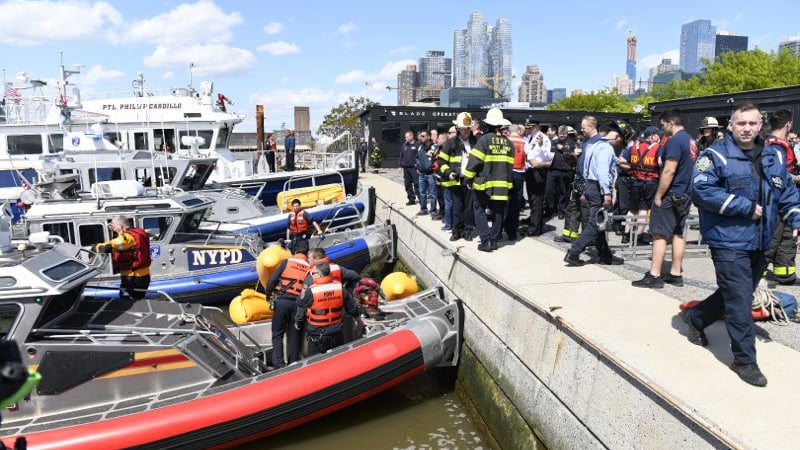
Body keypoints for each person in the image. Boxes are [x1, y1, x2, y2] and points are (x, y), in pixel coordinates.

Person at [682, 101, 800, 387]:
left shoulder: (773, 156)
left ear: (760, 125)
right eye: (741, 123)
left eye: (752, 123)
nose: (746, 128)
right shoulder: (714, 155)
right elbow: (701, 189)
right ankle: (745, 359)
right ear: (731, 126)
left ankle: (697, 317)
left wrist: (795, 217)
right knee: (740, 300)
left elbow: (785, 190)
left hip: (761, 241)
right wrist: (743, 206)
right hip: (728, 241)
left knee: (737, 292)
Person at [632, 110, 696, 288]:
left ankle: (654, 275)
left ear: (670, 123)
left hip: (671, 194)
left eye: (663, 125)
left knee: (658, 233)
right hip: (685, 193)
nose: (662, 129)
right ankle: (676, 273)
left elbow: (669, 170)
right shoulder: (691, 141)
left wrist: (659, 195)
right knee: (677, 233)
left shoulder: (675, 141)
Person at [563, 118, 629, 266]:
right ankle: (574, 252)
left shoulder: (593, 146)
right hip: (598, 188)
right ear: (616, 136)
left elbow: (585, 169)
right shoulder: (605, 148)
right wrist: (607, 193)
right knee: (595, 223)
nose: (621, 144)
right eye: (621, 139)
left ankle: (605, 255)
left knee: (600, 223)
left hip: (590, 186)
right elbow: (603, 173)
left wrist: (585, 190)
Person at [463, 107, 514, 252]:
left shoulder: (484, 140)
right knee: (498, 212)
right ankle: (494, 240)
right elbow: (510, 166)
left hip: (484, 184)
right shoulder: (508, 144)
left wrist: (467, 179)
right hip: (502, 185)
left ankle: (485, 241)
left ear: (487, 124)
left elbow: (474, 162)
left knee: (478, 209)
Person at [294, 262, 365, 357]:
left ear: (319, 274)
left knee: (315, 361)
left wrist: (298, 321)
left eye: (313, 273)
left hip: (317, 333)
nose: (312, 276)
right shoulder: (340, 288)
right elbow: (352, 308)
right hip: (337, 331)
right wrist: (359, 320)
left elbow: (300, 303)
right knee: (338, 358)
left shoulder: (311, 291)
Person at [764, 110, 800, 285]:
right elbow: (775, 175)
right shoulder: (773, 147)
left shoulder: (778, 145)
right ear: (788, 124)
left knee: (788, 237)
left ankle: (785, 274)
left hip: (787, 197)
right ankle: (757, 274)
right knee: (772, 239)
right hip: (776, 199)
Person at [264, 241, 310, 368]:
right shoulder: (310, 267)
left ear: (294, 251)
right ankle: (293, 363)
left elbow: (273, 280)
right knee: (294, 335)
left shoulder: (287, 262)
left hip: (282, 301)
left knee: (277, 333)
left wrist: (268, 294)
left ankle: (278, 364)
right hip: (298, 305)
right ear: (307, 253)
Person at [618, 126, 661, 244]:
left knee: (632, 210)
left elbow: (621, 160)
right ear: (652, 136)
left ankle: (626, 235)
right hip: (650, 182)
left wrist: (631, 167)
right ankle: (639, 236)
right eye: (657, 135)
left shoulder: (634, 146)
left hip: (635, 182)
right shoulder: (657, 148)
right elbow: (661, 164)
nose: (659, 137)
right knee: (643, 210)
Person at [438, 112, 477, 242]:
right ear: (458, 129)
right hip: (456, 180)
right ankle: (456, 231)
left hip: (470, 181)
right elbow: (441, 162)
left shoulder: (475, 142)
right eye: (463, 128)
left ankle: (467, 231)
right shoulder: (451, 143)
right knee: (456, 207)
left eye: (467, 128)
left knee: (468, 209)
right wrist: (448, 172)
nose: (466, 131)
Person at [95, 215, 151, 300]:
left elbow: (108, 247)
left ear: (121, 226)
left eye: (114, 226)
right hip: (144, 275)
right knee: (138, 299)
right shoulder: (140, 232)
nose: (113, 229)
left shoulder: (126, 238)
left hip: (132, 277)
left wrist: (95, 247)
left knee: (127, 301)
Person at [523, 118, 552, 235]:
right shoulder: (531, 138)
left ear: (536, 127)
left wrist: (541, 146)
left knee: (537, 200)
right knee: (532, 199)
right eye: (528, 127)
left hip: (539, 170)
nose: (528, 129)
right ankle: (533, 223)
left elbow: (547, 155)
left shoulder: (543, 138)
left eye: (530, 127)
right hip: (530, 170)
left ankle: (535, 228)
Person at [546, 125, 577, 221]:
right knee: (549, 191)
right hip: (552, 171)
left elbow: (574, 157)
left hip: (565, 171)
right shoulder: (553, 142)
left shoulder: (571, 143)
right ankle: (550, 209)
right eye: (560, 134)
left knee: (564, 193)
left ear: (567, 134)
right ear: (558, 134)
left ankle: (561, 211)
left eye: (564, 134)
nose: (562, 135)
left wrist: (563, 149)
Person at [503, 124, 527, 241]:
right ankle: (512, 232)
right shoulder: (524, 142)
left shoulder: (505, 141)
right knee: (515, 204)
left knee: (503, 202)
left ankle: (501, 228)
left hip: (506, 173)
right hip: (519, 174)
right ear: (518, 131)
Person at [415, 130, 438, 217]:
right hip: (422, 174)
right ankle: (423, 209)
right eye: (421, 136)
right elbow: (417, 158)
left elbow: (437, 160)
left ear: (428, 137)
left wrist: (434, 169)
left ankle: (433, 210)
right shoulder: (420, 147)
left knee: (432, 194)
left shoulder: (434, 147)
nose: (421, 137)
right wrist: (417, 167)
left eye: (423, 136)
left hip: (431, 174)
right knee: (422, 192)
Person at [399, 130, 421, 206]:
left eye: (407, 137)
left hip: (414, 168)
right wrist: (400, 166)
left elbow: (420, 157)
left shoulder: (418, 145)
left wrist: (419, 167)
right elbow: (401, 156)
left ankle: (421, 199)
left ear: (411, 136)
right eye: (405, 137)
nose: (406, 138)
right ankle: (411, 200)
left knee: (417, 184)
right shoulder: (404, 145)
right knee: (407, 184)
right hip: (406, 168)